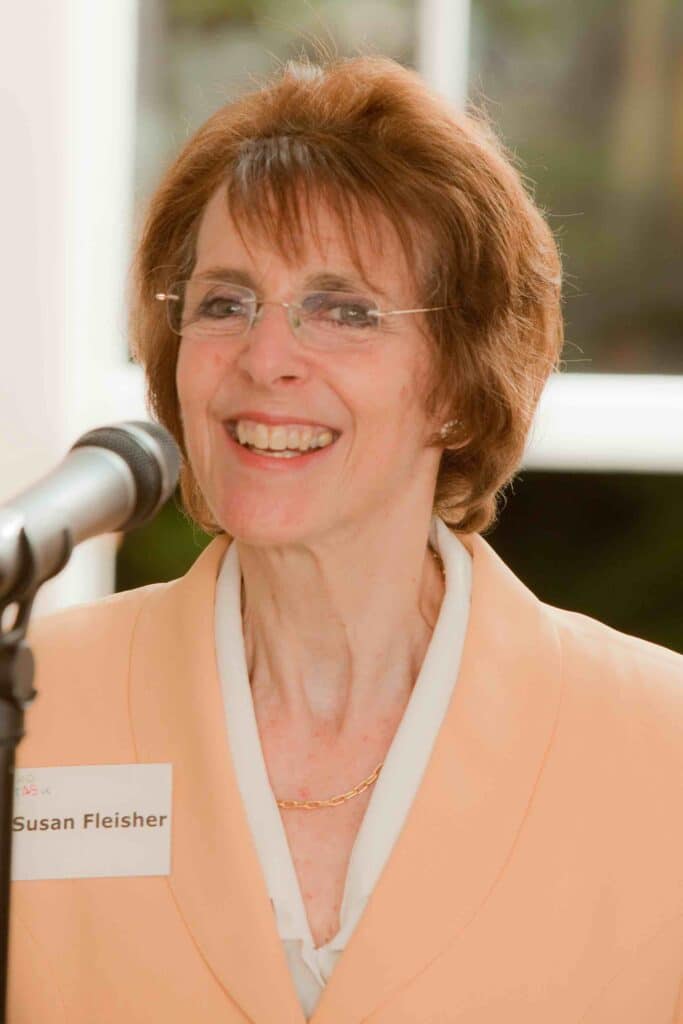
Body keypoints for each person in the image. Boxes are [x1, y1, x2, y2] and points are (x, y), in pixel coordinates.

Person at [8, 55, 683, 1024]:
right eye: (225, 302)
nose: (265, 357)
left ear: (458, 381)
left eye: (344, 310)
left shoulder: (657, 749)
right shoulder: (31, 710)